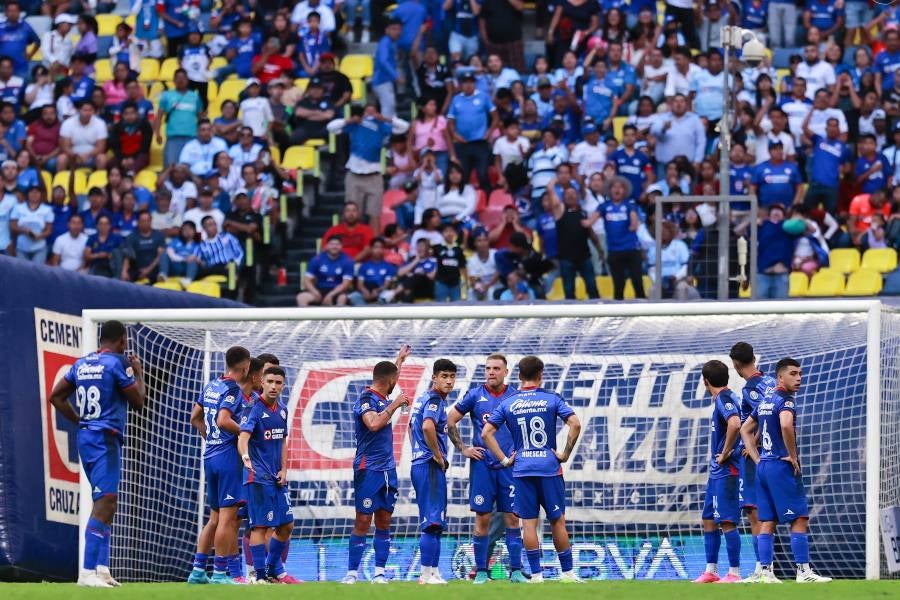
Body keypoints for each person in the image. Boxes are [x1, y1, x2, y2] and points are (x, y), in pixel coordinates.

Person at [48, 320, 145, 588]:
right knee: (105, 503)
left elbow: (56, 396)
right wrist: (138, 372)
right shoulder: (117, 363)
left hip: (87, 438)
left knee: (104, 502)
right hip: (106, 439)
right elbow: (138, 401)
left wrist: (79, 420)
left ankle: (102, 569)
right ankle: (87, 573)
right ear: (123, 340)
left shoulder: (81, 364)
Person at [482, 355, 582, 583]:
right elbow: (575, 423)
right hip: (549, 467)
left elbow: (486, 433)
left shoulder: (509, 403)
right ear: (541, 375)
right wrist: (565, 454)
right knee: (557, 520)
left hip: (523, 468)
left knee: (528, 523)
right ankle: (567, 574)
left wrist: (505, 460)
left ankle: (536, 575)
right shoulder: (551, 398)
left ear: (518, 376)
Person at [740, 358, 833, 584]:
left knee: (768, 521)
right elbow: (785, 424)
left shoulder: (764, 401)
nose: (799, 378)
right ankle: (803, 572)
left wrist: (757, 458)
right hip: (781, 466)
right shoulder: (786, 400)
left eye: (800, 374)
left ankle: (765, 572)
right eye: (793, 374)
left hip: (764, 467)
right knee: (799, 519)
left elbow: (745, 429)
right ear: (780, 377)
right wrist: (793, 455)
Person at [447, 354, 526, 584]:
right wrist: (463, 448)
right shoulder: (474, 395)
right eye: (488, 368)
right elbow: (450, 420)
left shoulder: (515, 396)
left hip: (509, 467)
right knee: (482, 519)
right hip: (482, 466)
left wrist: (520, 450)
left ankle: (517, 571)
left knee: (512, 518)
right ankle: (481, 572)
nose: (491, 372)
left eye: (496, 368)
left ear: (506, 372)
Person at [342, 346, 411, 584]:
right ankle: (352, 573)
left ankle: (380, 573)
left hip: (387, 470)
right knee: (363, 520)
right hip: (368, 468)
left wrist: (399, 361)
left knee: (384, 520)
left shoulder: (382, 396)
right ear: (389, 381)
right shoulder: (366, 399)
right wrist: (394, 405)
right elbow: (373, 424)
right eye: (395, 379)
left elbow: (391, 379)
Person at [187, 346, 251, 585]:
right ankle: (220, 574)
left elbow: (195, 417)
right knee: (227, 518)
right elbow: (224, 420)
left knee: (214, 519)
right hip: (226, 458)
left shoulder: (213, 385)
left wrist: (209, 436)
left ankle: (198, 571)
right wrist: (246, 431)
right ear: (245, 368)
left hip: (210, 456)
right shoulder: (233, 390)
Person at [237, 366, 301, 584]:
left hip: (276, 478)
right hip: (257, 476)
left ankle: (273, 568)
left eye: (278, 382)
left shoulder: (282, 409)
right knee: (259, 526)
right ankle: (260, 576)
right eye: (270, 382)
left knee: (286, 525)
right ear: (262, 382)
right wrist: (245, 456)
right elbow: (243, 437)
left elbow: (282, 441)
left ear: (283, 385)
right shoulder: (253, 407)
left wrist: (284, 469)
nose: (274, 386)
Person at [728, 342, 777, 582]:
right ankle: (764, 568)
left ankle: (762, 568)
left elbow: (764, 414)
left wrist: (753, 441)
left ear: (736, 365)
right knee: (763, 512)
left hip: (755, 458)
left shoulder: (751, 388)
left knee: (754, 513)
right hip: (774, 451)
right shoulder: (770, 381)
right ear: (754, 358)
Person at [692, 360, 743, 584]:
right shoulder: (723, 399)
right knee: (709, 519)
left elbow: (735, 424)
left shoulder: (725, 399)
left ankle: (734, 573)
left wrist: (725, 452)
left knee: (727, 520)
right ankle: (711, 571)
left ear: (706, 381)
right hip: (717, 471)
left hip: (727, 468)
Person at [410, 359, 458, 585]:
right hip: (429, 465)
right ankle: (425, 575)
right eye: (444, 376)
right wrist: (437, 456)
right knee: (432, 521)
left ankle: (434, 572)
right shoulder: (434, 400)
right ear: (435, 378)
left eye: (452, 376)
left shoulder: (422, 399)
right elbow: (427, 426)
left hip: (421, 463)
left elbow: (412, 429)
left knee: (436, 522)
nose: (449, 381)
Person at [327, 104, 409, 234]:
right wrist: (350, 120)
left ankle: (374, 243)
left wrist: (385, 118)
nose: (370, 112)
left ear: (377, 112)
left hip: (374, 176)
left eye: (373, 110)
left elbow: (404, 126)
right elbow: (331, 127)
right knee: (353, 213)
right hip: (354, 175)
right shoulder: (355, 124)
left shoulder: (381, 125)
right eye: (367, 110)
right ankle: (352, 240)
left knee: (374, 213)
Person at [591, 176, 645, 300]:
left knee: (637, 281)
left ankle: (643, 310)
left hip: (631, 249)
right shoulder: (604, 206)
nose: (617, 190)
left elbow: (634, 220)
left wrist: (633, 224)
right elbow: (590, 221)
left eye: (620, 187)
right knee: (618, 285)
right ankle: (617, 316)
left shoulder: (630, 205)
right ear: (609, 190)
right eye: (614, 187)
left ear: (624, 190)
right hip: (614, 251)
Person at [547, 182, 600, 300]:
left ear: (578, 196)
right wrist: (557, 179)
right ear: (563, 197)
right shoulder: (560, 211)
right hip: (566, 258)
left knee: (592, 288)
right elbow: (551, 192)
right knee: (569, 290)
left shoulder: (584, 213)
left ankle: (598, 313)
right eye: (567, 194)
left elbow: (591, 234)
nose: (570, 196)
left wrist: (600, 250)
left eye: (573, 193)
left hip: (584, 257)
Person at [447, 72, 498, 192]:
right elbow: (450, 121)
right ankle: (464, 202)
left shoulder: (483, 97)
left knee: (483, 174)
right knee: (463, 176)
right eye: (465, 83)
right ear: (461, 85)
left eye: (471, 82)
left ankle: (487, 198)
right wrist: (454, 134)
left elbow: (495, 116)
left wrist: (489, 131)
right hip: (463, 143)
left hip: (480, 142)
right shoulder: (456, 99)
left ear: (474, 84)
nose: (468, 85)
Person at [155, 70, 203, 168]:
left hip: (192, 137)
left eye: (183, 78)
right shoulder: (166, 96)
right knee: (171, 166)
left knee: (191, 166)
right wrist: (157, 133)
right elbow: (159, 116)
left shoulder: (195, 97)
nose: (180, 80)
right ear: (174, 80)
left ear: (187, 80)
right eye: (178, 78)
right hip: (173, 137)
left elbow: (200, 117)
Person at [297, 235, 354, 306]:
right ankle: (308, 317)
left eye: (337, 244)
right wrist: (314, 292)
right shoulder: (317, 259)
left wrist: (331, 294)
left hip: (337, 291)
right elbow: (306, 280)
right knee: (301, 297)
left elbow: (345, 284)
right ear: (326, 246)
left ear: (341, 246)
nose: (334, 247)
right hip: (319, 290)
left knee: (342, 298)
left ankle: (339, 317)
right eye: (331, 244)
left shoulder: (348, 260)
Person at [9, 185, 53, 264]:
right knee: (22, 272)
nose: (34, 194)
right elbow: (13, 226)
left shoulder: (47, 209)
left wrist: (40, 235)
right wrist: (23, 230)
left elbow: (49, 230)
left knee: (38, 273)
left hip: (39, 247)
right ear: (27, 194)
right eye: (32, 192)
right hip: (21, 247)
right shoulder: (18, 208)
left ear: (41, 195)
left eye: (37, 192)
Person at [59, 102, 108, 170]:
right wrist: (76, 155)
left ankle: (99, 180)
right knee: (62, 159)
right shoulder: (67, 123)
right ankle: (62, 180)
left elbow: (101, 147)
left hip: (92, 156)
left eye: (90, 110)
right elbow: (65, 147)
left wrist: (88, 155)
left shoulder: (100, 123)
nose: (88, 113)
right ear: (79, 110)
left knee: (102, 158)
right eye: (85, 110)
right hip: (73, 156)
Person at [349, 238, 398, 305]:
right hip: (366, 292)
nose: (378, 250)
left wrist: (377, 291)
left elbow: (386, 285)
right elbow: (360, 284)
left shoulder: (389, 266)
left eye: (381, 248)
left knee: (389, 294)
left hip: (380, 292)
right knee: (353, 296)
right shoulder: (364, 266)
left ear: (384, 250)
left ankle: (376, 309)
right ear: (371, 249)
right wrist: (365, 292)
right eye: (376, 247)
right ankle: (365, 312)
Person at [121, 211, 166, 282]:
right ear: (138, 222)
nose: (146, 223)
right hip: (137, 270)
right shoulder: (131, 237)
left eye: (148, 220)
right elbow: (128, 257)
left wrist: (147, 270)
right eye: (143, 221)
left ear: (151, 221)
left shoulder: (159, 235)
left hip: (154, 270)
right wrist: (124, 271)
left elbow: (160, 256)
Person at [372, 19, 404, 119]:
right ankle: (385, 133)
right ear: (387, 30)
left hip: (387, 81)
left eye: (399, 29)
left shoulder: (392, 43)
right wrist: (396, 76)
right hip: (382, 81)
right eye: (393, 29)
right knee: (388, 110)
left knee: (390, 109)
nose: (397, 32)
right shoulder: (385, 42)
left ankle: (390, 133)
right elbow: (383, 61)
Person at [433, 222, 467, 301]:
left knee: (457, 308)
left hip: (455, 283)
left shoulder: (458, 249)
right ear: (442, 233)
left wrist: (465, 284)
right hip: (441, 282)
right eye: (446, 231)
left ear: (455, 233)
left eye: (451, 231)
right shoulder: (437, 248)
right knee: (440, 308)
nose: (449, 233)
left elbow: (462, 267)